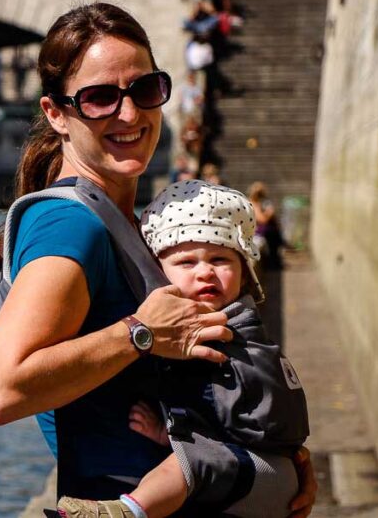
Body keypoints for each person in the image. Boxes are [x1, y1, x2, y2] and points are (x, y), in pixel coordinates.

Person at [0, 2, 316, 516]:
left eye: (145, 90)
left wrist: (269, 459)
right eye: (99, 98)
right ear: (56, 114)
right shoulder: (71, 225)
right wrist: (140, 332)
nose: (129, 114)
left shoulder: (126, 218)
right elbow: (2, 392)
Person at [59, 180, 309, 518]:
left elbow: (244, 416)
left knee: (186, 466)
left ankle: (126, 512)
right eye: (187, 263)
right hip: (254, 471)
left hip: (260, 472)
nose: (206, 272)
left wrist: (168, 433)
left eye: (220, 259)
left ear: (243, 272)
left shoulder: (234, 333)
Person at [249, 181, 285, 269]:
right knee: (272, 234)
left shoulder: (262, 203)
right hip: (258, 230)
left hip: (265, 229)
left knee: (274, 233)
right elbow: (262, 220)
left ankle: (274, 259)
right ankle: (273, 262)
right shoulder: (253, 203)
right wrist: (269, 213)